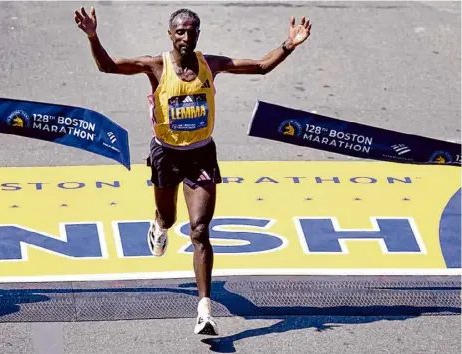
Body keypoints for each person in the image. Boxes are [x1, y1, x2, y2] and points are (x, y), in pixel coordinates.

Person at [74, 6, 311, 335]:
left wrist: (289, 44)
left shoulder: (209, 65)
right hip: (166, 154)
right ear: (170, 35)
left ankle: (205, 310)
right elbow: (109, 66)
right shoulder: (156, 66)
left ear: (198, 34)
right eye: (180, 32)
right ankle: (159, 223)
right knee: (169, 218)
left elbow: (259, 67)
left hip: (200, 154)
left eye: (191, 31)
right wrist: (92, 36)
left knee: (200, 231)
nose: (185, 37)